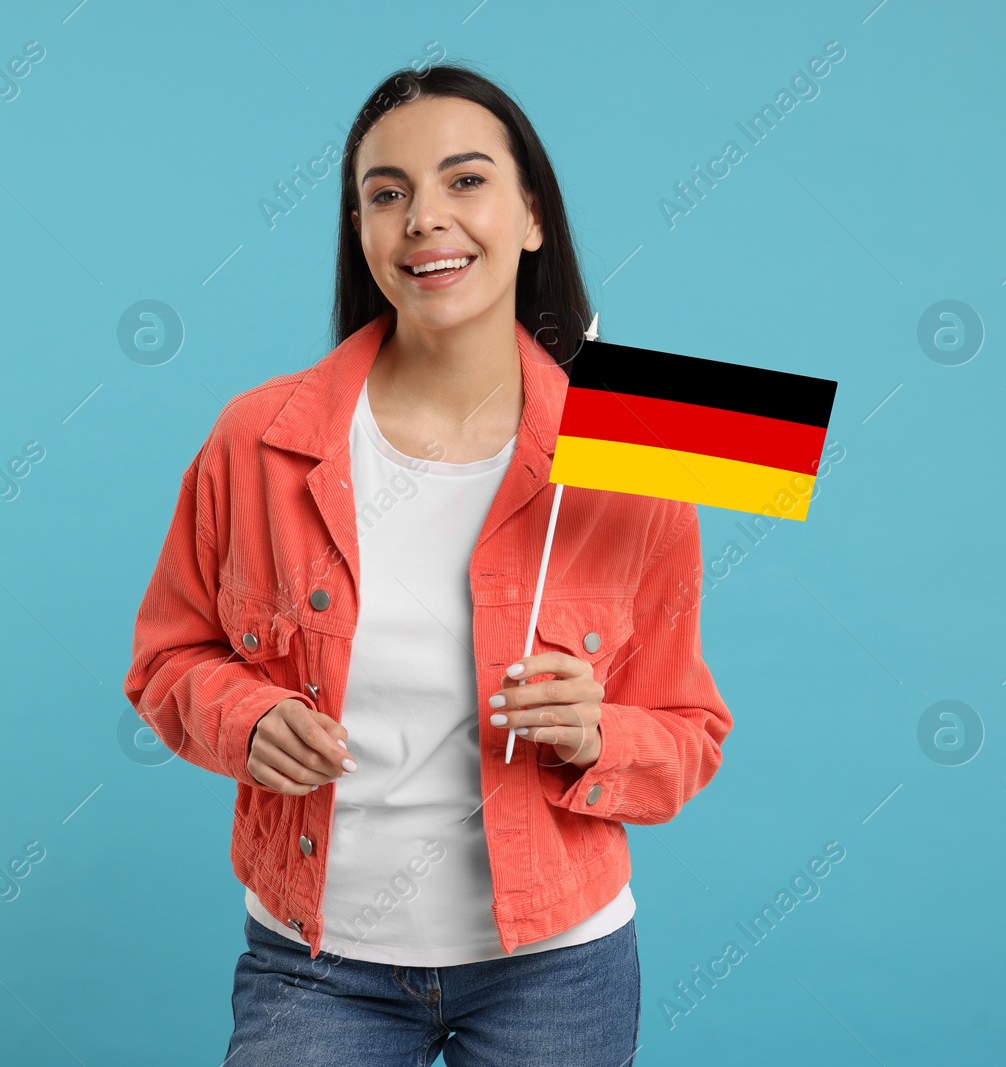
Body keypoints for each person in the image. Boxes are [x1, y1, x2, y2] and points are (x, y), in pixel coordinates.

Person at [122, 61, 733, 1066]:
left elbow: (690, 734)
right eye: (387, 193)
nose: (422, 219)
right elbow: (165, 662)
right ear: (360, 231)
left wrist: (596, 732)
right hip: (316, 960)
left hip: (557, 964)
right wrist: (248, 716)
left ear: (531, 214)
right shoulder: (256, 440)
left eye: (465, 181)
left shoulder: (631, 459)